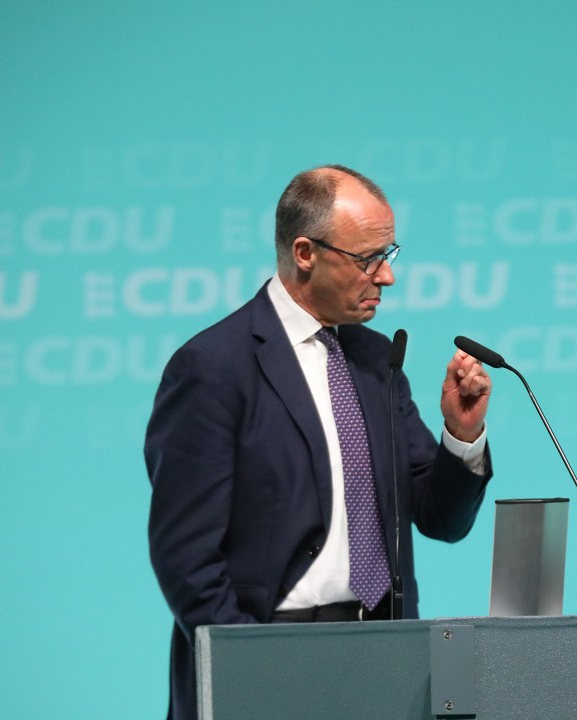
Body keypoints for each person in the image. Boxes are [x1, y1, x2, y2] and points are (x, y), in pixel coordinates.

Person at [144, 164, 493, 720]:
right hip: (265, 658)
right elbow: (185, 555)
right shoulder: (213, 368)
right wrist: (247, 661)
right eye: (368, 260)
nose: (386, 278)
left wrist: (462, 433)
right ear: (305, 253)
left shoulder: (377, 360)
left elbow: (438, 518)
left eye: (390, 255)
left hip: (385, 660)